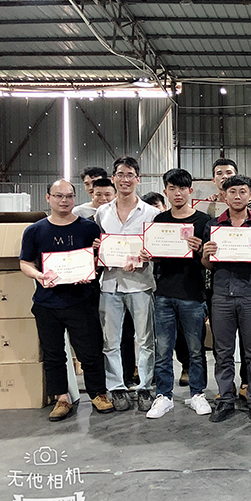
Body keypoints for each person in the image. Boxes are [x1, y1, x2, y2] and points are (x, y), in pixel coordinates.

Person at [19, 179, 114, 421]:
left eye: (69, 196)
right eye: (59, 196)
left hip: (82, 300)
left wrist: (90, 271)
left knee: (90, 351)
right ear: (48, 198)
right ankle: (62, 398)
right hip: (47, 303)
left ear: (75, 198)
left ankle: (98, 394)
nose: (64, 200)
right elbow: (25, 263)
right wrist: (39, 276)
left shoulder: (89, 228)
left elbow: (100, 260)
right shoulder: (35, 230)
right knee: (53, 354)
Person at [202, 175, 251, 423]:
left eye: (243, 191)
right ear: (224, 196)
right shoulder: (213, 226)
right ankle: (225, 399)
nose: (238, 196)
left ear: (250, 195)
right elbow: (207, 265)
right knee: (223, 352)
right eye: (232, 192)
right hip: (221, 295)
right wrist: (206, 254)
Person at [144, 169, 212, 419]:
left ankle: (197, 394)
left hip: (193, 293)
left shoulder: (204, 221)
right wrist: (148, 254)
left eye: (182, 188)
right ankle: (164, 396)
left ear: (190, 191)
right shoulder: (159, 220)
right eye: (172, 188)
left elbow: (209, 260)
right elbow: (156, 255)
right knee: (163, 349)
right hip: (164, 293)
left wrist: (200, 249)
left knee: (196, 350)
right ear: (166, 191)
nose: (177, 193)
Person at [94, 156, 161, 412]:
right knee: (110, 341)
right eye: (120, 174)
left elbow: (157, 249)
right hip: (110, 284)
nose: (125, 179)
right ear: (113, 178)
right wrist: (98, 247)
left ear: (138, 179)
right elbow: (99, 245)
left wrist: (147, 256)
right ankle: (116, 387)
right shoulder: (102, 212)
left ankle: (145, 386)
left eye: (130, 174)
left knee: (145, 339)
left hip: (140, 284)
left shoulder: (152, 214)